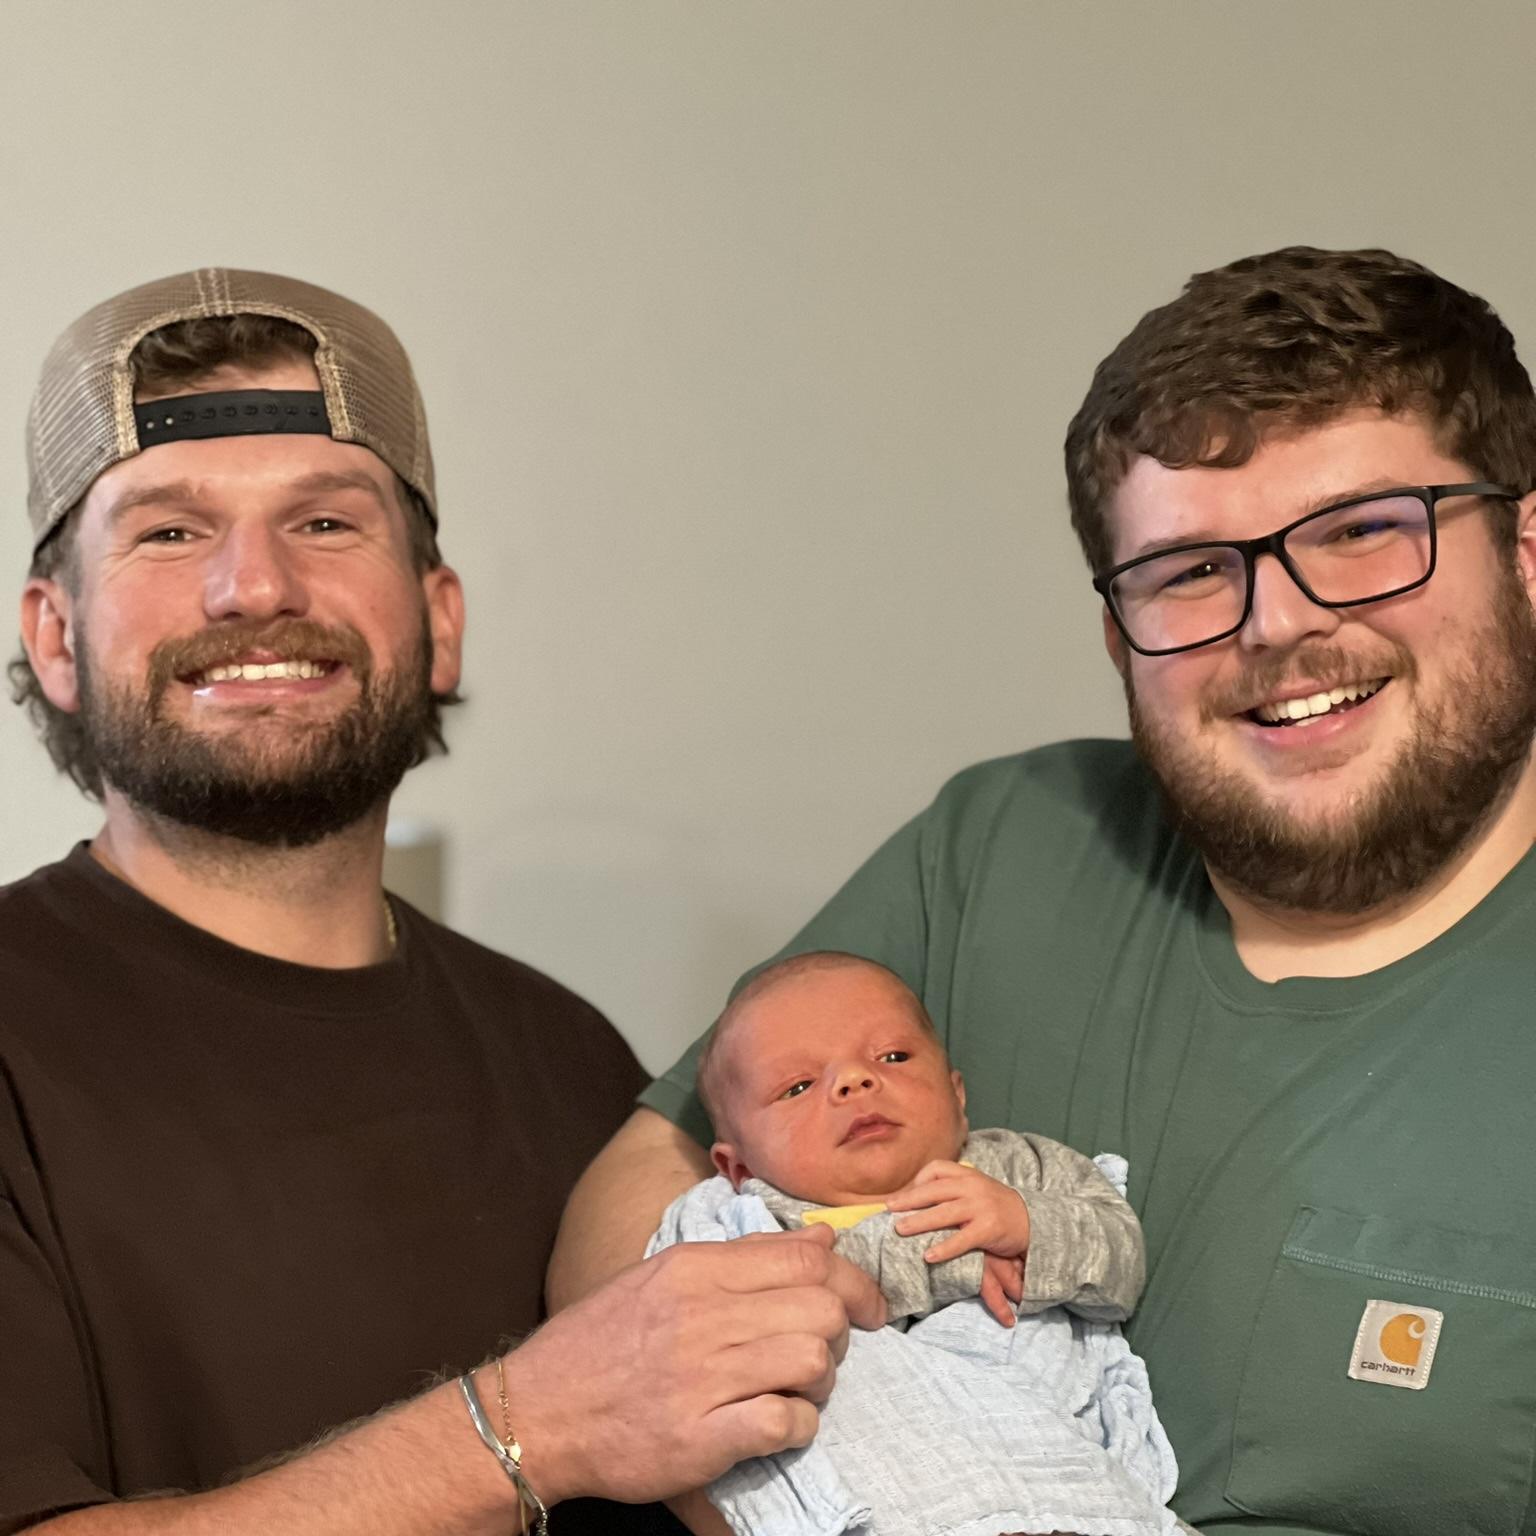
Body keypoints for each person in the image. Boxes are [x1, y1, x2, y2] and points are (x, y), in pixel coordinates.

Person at [549, 246, 1536, 1536]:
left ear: (1526, 549)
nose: (1277, 624)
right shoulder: (1005, 842)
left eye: (1360, 534)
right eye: (1192, 569)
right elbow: (643, 1195)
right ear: (1118, 634)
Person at [1, 268, 882, 1536]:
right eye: (169, 532)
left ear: (438, 621)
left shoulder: (575, 1062)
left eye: (325, 522)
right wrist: (532, 1425)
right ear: (55, 637)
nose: (254, 586)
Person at [650, 950, 1178, 1536]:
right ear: (739, 1166)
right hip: (898, 1478)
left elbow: (1120, 1258)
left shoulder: (1022, 1168)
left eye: (893, 1057)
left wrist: (1029, 1224)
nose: (854, 1081)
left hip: (1053, 1452)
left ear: (957, 1096)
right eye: (798, 1086)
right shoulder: (756, 1221)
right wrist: (963, 1257)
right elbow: (758, 1317)